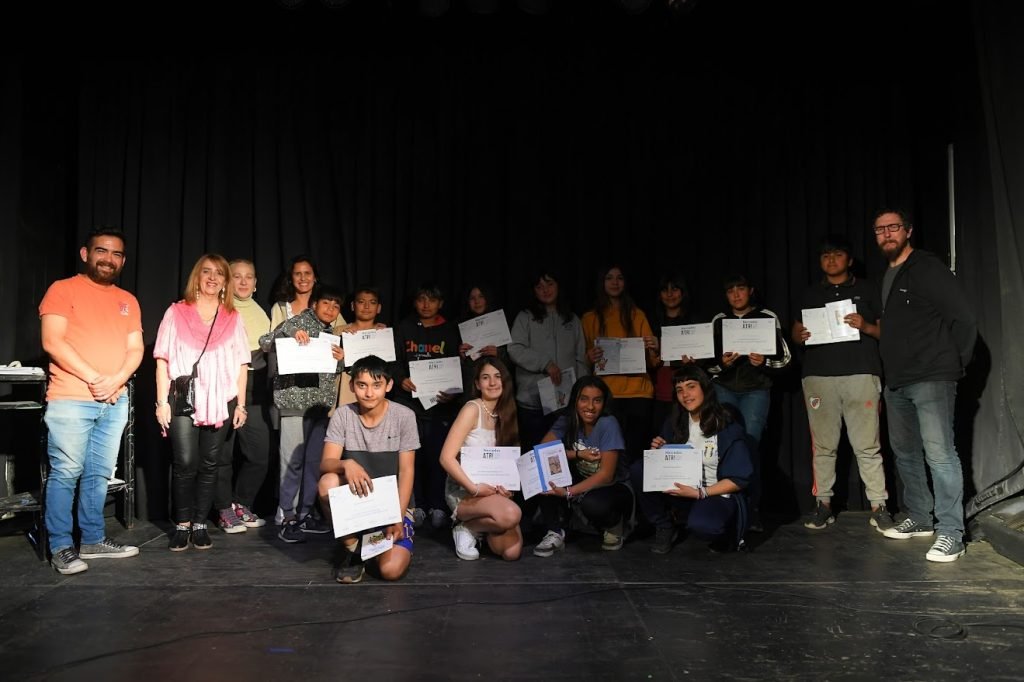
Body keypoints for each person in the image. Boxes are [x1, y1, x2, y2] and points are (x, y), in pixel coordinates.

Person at [873, 209, 977, 562]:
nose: (887, 234)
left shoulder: (927, 268)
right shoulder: (887, 275)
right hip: (898, 381)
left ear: (908, 231)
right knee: (905, 454)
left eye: (893, 227)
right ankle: (920, 517)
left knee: (940, 455)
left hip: (932, 378)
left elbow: (963, 318)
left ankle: (952, 533)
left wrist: (952, 366)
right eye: (880, 230)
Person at [39, 227, 144, 574]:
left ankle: (94, 539)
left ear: (123, 260)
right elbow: (53, 341)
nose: (108, 259)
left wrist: (114, 382)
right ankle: (60, 546)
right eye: (101, 251)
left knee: (99, 474)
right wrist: (96, 379)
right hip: (71, 397)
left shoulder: (128, 300)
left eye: (116, 254)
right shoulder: (62, 289)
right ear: (86, 254)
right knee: (66, 472)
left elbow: (135, 349)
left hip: (114, 399)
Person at [791, 236, 891, 532]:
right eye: (825, 255)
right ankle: (823, 504)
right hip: (819, 376)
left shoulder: (868, 288)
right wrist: (802, 336)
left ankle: (879, 505)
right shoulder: (809, 293)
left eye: (837, 254)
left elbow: (885, 332)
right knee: (824, 446)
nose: (831, 259)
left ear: (849, 260)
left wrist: (866, 326)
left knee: (867, 445)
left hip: (861, 372)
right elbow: (795, 332)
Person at [154, 253, 251, 551]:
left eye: (219, 274)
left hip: (220, 399)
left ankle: (199, 523)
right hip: (183, 398)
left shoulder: (233, 317)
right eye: (206, 272)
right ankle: (182, 524)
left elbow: (241, 365)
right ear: (197, 277)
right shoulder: (176, 312)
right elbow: (162, 360)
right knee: (185, 462)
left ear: (225, 282)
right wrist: (161, 403)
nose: (212, 278)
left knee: (210, 464)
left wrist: (241, 405)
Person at [318, 355, 420, 584]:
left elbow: (406, 471)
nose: (369, 393)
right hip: (358, 500)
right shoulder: (343, 415)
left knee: (391, 570)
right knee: (327, 483)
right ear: (352, 385)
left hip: (392, 504)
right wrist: (346, 463)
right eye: (362, 385)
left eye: (376, 385)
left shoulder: (404, 416)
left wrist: (398, 516)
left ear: (389, 385)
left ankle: (371, 544)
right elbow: (326, 463)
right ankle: (353, 549)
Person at [632, 365, 754, 554]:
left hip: (712, 493)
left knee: (705, 526)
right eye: (680, 390)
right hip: (682, 491)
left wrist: (701, 493)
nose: (685, 394)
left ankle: (725, 528)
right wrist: (658, 452)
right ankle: (665, 525)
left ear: (705, 388)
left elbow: (739, 480)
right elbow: (665, 466)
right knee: (640, 469)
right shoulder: (675, 421)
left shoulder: (726, 425)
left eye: (691, 386)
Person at [260, 284, 347, 543]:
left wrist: (341, 359)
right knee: (292, 461)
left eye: (336, 305)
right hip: (294, 404)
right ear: (314, 304)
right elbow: (264, 342)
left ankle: (305, 513)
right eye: (326, 303)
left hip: (319, 408)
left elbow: (332, 372)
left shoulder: (332, 334)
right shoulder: (296, 322)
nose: (331, 309)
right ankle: (287, 515)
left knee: (312, 463)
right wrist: (287, 333)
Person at [708, 273, 790, 530]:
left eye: (740, 289)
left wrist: (763, 362)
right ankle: (725, 506)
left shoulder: (767, 316)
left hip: (756, 390)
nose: (736, 294)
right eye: (730, 290)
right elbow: (707, 365)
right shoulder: (720, 321)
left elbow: (786, 359)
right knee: (724, 446)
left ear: (750, 291)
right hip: (724, 389)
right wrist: (723, 364)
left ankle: (751, 508)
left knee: (750, 447)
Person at [532, 376, 633, 557]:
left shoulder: (608, 423)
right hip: (582, 481)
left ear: (604, 402)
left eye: (597, 400)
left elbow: (606, 475)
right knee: (543, 469)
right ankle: (555, 531)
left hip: (612, 488)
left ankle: (614, 524)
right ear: (575, 401)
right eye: (584, 399)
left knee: (593, 504)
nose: (590, 406)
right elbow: (542, 450)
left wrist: (569, 492)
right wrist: (577, 454)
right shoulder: (568, 419)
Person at [392, 283, 462, 530]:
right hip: (409, 403)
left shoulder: (452, 330)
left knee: (438, 457)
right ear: (414, 302)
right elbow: (394, 360)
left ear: (440, 304)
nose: (426, 305)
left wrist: (452, 393)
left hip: (441, 406)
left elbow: (459, 367)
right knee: (413, 457)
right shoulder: (404, 327)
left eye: (431, 300)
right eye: (421, 299)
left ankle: (438, 505)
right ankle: (417, 505)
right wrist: (401, 378)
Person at [439, 357, 523, 561]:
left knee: (511, 553)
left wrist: (507, 488)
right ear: (477, 384)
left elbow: (507, 462)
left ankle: (473, 527)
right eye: (486, 378)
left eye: (497, 377)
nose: (493, 383)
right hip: (465, 491)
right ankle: (464, 526)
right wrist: (474, 488)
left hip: (492, 493)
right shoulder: (471, 409)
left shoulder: (507, 413)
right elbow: (445, 458)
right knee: (511, 515)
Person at [213, 259, 273, 532]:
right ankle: (224, 509)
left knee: (259, 454)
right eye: (237, 276)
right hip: (225, 385)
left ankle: (241, 503)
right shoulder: (220, 308)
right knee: (223, 453)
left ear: (256, 282)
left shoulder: (264, 313)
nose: (244, 281)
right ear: (227, 280)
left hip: (255, 388)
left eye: (249, 277)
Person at [581, 265, 658, 465]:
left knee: (634, 454)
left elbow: (653, 361)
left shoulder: (637, 314)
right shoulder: (589, 318)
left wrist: (654, 347)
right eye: (609, 278)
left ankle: (634, 494)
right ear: (602, 283)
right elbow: (581, 361)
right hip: (607, 394)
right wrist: (588, 356)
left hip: (638, 393)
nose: (615, 282)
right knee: (608, 454)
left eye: (619, 278)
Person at [647, 272, 698, 436]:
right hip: (660, 394)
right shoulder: (652, 323)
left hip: (686, 394)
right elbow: (648, 363)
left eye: (675, 289)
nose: (670, 294)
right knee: (660, 438)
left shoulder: (694, 322)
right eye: (665, 290)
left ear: (683, 292)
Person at [270, 255, 321, 331]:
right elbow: (273, 338)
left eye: (307, 273)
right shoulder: (280, 308)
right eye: (297, 274)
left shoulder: (328, 305)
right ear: (291, 278)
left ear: (315, 278)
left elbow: (340, 330)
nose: (303, 278)